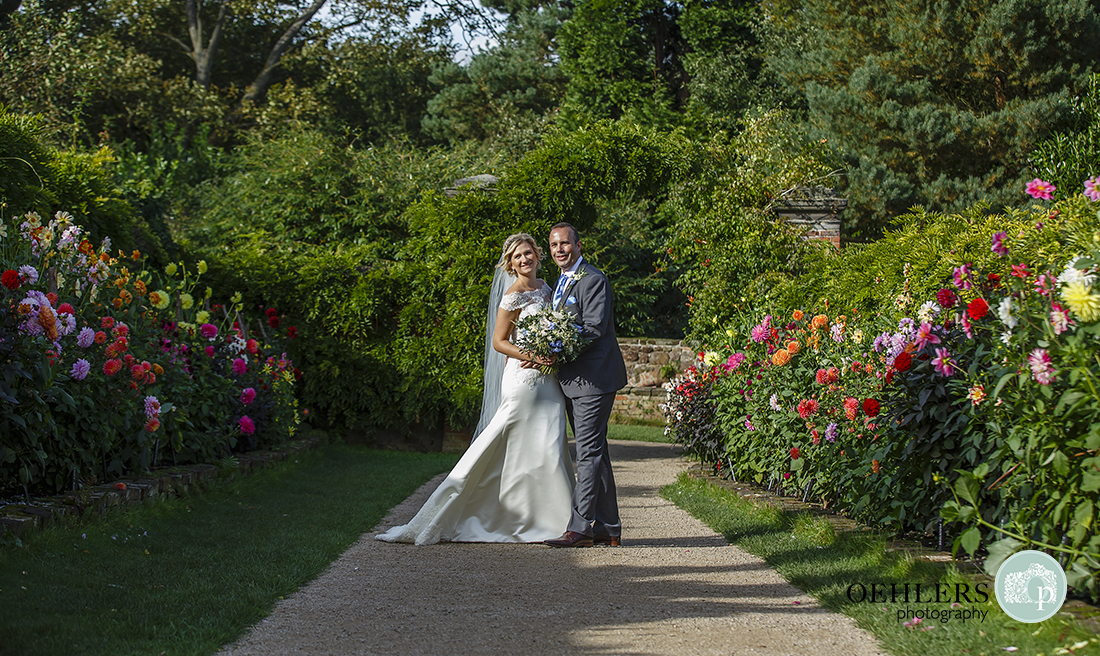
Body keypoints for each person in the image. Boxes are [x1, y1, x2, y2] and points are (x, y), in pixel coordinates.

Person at [375, 233, 574, 545]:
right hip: (523, 380)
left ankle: (556, 520)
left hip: (548, 381)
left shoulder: (546, 288)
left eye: (528, 253)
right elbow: (499, 342)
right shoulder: (514, 295)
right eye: (517, 257)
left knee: (549, 445)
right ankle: (453, 510)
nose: (524, 260)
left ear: (538, 254)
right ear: (510, 263)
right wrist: (533, 355)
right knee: (498, 442)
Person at [539, 223, 628, 548]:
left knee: (587, 452)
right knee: (597, 451)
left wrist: (554, 347)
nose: (559, 249)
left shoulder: (593, 279)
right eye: (553, 245)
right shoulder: (562, 281)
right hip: (575, 380)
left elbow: (593, 328)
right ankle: (608, 527)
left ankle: (579, 529)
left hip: (595, 379)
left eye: (564, 244)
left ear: (578, 245)